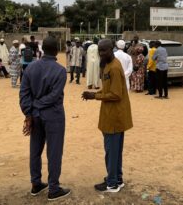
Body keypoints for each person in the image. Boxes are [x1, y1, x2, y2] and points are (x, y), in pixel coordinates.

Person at [20, 36, 71, 201]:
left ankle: (36, 184)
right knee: (54, 152)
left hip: (35, 116)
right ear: (57, 51)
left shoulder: (30, 68)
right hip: (53, 115)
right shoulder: (60, 71)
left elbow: (24, 94)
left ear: (42, 50)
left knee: (35, 150)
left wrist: (29, 112)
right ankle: (53, 189)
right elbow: (54, 96)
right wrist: (36, 106)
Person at [82, 39, 133, 193]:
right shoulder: (108, 65)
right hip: (111, 114)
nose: (102, 53)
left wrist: (94, 96)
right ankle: (116, 178)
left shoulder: (115, 68)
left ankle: (112, 183)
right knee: (115, 150)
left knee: (111, 151)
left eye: (104, 50)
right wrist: (95, 94)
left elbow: (116, 94)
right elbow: (107, 90)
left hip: (114, 116)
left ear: (112, 49)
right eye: (100, 51)